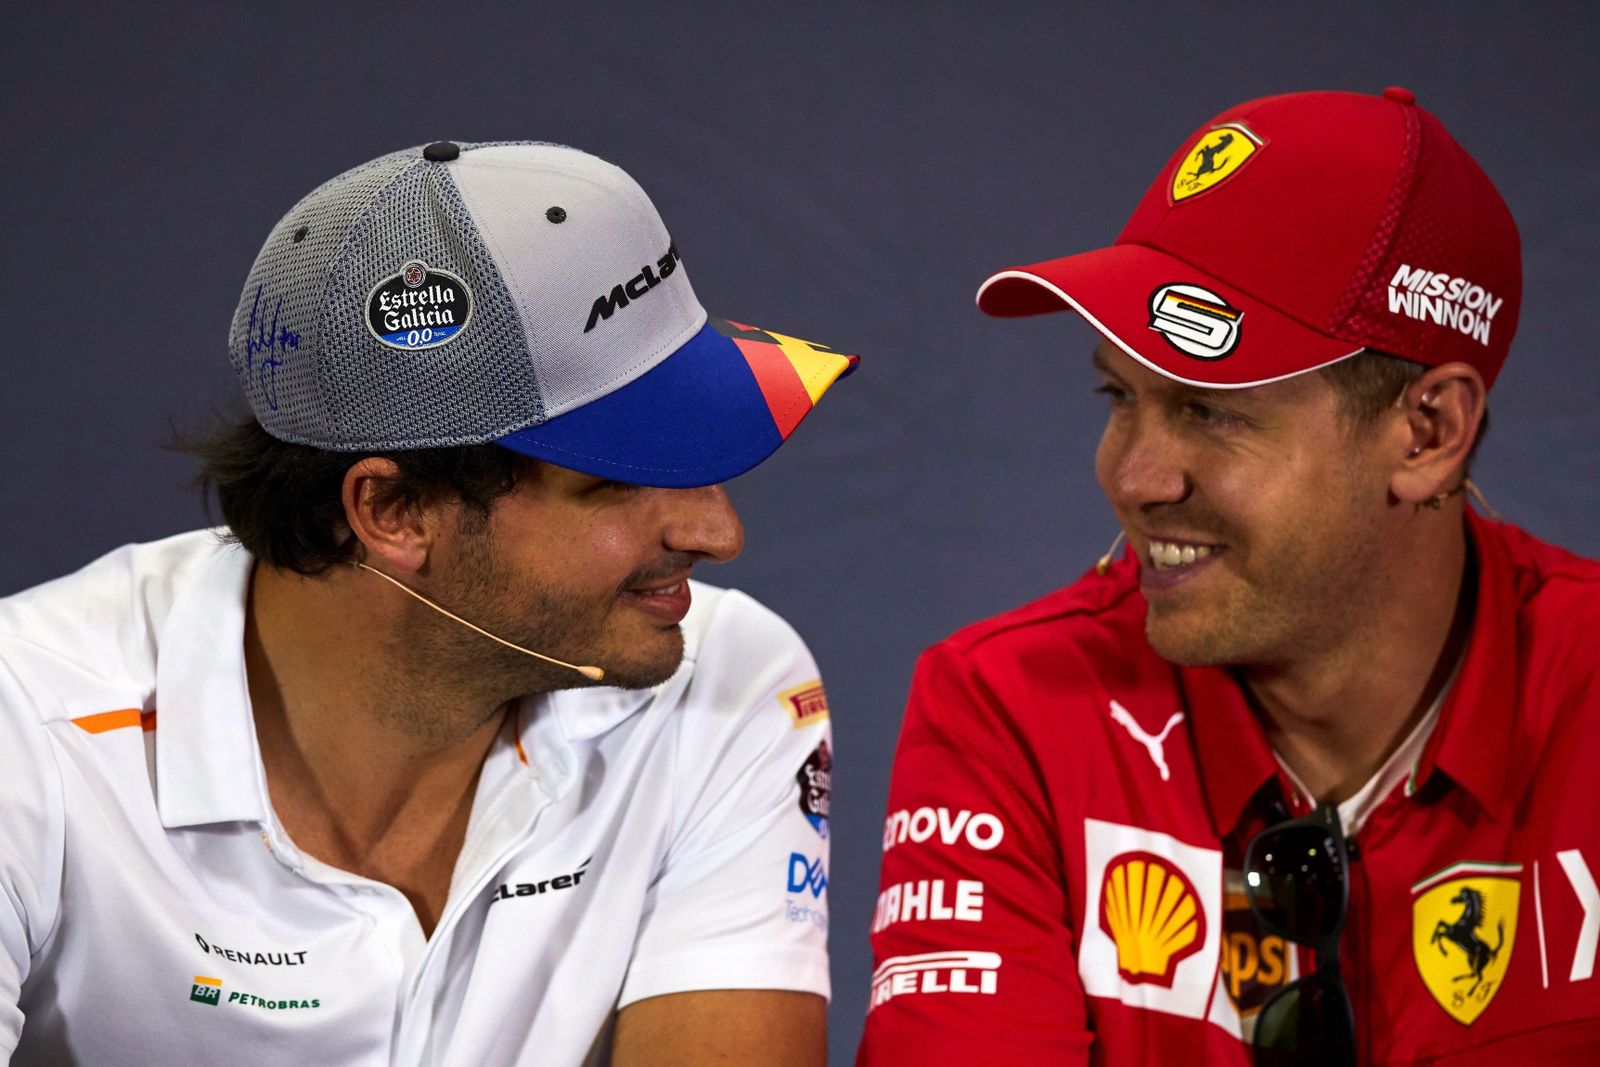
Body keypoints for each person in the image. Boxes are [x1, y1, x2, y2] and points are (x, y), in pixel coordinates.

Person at [0, 140, 855, 1065]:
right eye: (622, 479)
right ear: (393, 510)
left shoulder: (723, 677)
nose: (719, 533)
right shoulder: (28, 723)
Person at [857, 88, 1600, 1065]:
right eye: (1118, 395)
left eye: (1212, 409)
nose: (1132, 477)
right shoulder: (1013, 704)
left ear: (1426, 433)